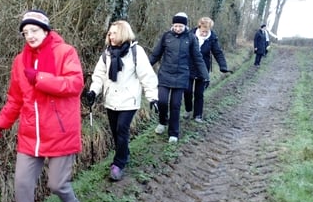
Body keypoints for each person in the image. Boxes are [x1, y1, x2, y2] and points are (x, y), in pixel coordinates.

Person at [0, 9, 85, 202]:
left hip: (61, 131)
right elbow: (15, 98)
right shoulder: (19, 61)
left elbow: (75, 84)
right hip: (31, 134)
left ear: (45, 30)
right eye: (25, 32)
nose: (29, 36)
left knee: (57, 184)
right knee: (22, 184)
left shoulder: (65, 52)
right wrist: (1, 123)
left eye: (34, 30)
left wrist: (40, 78)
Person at [85, 20, 158, 181]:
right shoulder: (107, 53)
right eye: (110, 33)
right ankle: (124, 153)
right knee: (115, 131)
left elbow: (147, 75)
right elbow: (99, 75)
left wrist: (152, 97)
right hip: (111, 100)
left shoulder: (136, 52)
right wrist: (93, 91)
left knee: (121, 130)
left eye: (114, 33)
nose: (111, 36)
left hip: (129, 100)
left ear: (124, 33)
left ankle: (118, 164)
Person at [149, 12, 209, 143]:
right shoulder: (166, 36)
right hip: (165, 74)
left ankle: (173, 133)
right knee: (162, 101)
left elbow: (198, 58)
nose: (177, 28)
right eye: (175, 26)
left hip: (181, 76)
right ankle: (162, 122)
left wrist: (205, 75)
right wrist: (144, 68)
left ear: (185, 26)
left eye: (180, 26)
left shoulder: (191, 38)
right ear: (172, 25)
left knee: (175, 105)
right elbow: (155, 55)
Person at [183, 17, 231, 123]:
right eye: (203, 31)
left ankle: (198, 115)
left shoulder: (212, 38)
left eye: (207, 31)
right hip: (189, 67)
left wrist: (223, 66)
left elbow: (218, 52)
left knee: (199, 93)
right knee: (187, 91)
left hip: (203, 69)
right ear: (199, 27)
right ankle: (188, 109)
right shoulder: (190, 35)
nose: (205, 33)